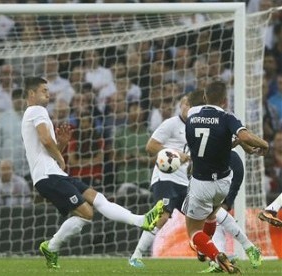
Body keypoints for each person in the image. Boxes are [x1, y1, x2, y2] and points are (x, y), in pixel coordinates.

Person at [20, 77, 164, 269]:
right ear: (31, 94)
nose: (48, 93)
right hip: (47, 176)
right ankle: (51, 246)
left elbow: (46, 149)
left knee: (98, 198)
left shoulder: (34, 113)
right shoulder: (36, 110)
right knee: (86, 213)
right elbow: (46, 141)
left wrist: (61, 144)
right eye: (44, 90)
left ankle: (142, 220)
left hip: (53, 173)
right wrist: (61, 157)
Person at [183, 80, 268, 273]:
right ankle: (216, 253)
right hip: (222, 182)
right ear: (225, 100)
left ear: (204, 97)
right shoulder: (227, 118)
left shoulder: (192, 114)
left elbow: (210, 138)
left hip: (200, 181)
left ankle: (215, 255)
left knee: (194, 231)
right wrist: (264, 144)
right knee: (213, 214)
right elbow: (243, 138)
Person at [129, 96, 191, 268]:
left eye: (192, 105)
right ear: (181, 105)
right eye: (186, 104)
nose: (188, 107)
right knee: (162, 215)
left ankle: (213, 255)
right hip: (165, 178)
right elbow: (150, 147)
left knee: (201, 215)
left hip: (185, 182)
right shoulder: (171, 124)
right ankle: (136, 255)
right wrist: (176, 153)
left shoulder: (196, 129)